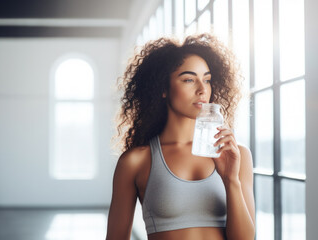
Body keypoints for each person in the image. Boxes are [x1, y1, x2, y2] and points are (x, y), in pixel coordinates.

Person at [106, 33, 255, 240]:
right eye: (188, 79)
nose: (202, 89)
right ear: (163, 88)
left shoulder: (237, 155)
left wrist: (231, 180)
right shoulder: (136, 161)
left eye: (207, 80)